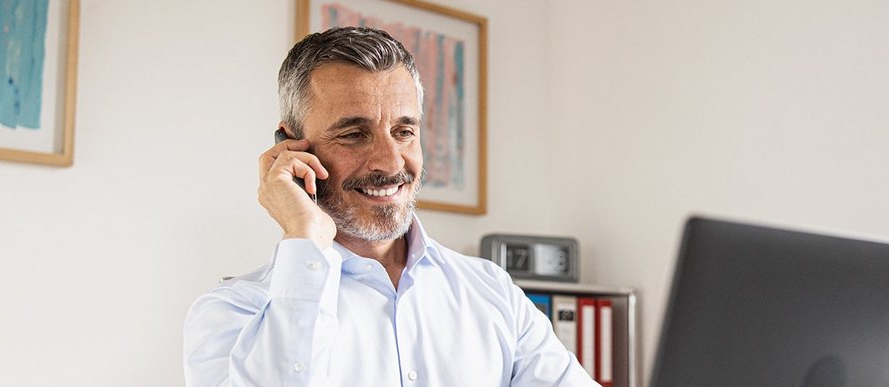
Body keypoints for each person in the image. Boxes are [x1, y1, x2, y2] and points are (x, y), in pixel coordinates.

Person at [183, 27, 597, 386]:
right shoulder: (233, 313)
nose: (391, 162)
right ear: (288, 148)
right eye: (353, 134)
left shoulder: (492, 291)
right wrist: (305, 236)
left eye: (403, 131)